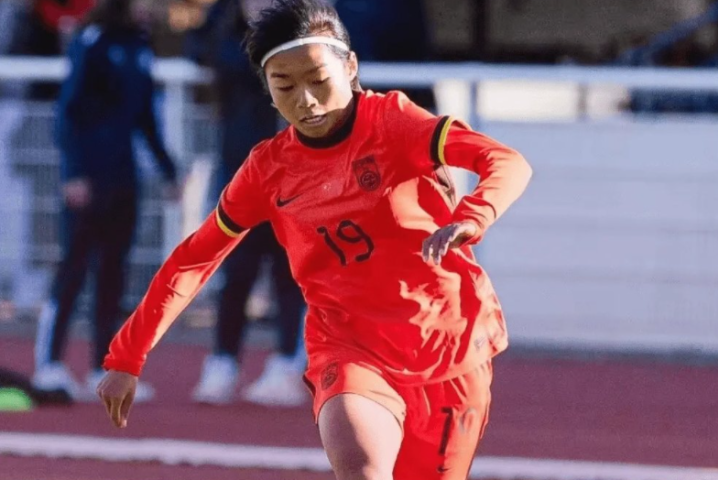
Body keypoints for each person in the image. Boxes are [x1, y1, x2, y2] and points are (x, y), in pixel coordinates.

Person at [97, 0, 532, 478]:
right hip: (349, 350)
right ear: (268, 90)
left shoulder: (395, 121)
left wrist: (473, 216)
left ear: (350, 67)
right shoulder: (267, 170)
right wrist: (128, 354)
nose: (305, 100)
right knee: (362, 466)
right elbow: (195, 258)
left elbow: (506, 161)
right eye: (285, 86)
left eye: (319, 80)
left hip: (450, 345)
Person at [33, 0, 179, 402]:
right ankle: (49, 363)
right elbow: (69, 111)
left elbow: (145, 118)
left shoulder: (140, 46)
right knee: (73, 269)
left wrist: (169, 171)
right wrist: (73, 173)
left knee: (114, 274)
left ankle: (104, 366)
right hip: (89, 175)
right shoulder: (93, 40)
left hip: (123, 176)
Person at [185, 0, 308, 407]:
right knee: (236, 273)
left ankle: (287, 364)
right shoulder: (224, 32)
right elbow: (197, 46)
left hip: (293, 176)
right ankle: (222, 362)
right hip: (241, 172)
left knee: (289, 274)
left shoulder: (305, 37)